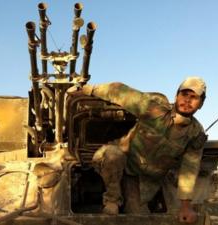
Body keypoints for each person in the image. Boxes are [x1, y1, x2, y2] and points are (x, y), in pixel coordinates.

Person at [80, 76, 207, 224]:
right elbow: (120, 92)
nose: (187, 100)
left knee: (138, 218)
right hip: (123, 161)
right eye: (184, 94)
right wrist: (87, 89)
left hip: (142, 181)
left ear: (201, 103)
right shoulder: (156, 110)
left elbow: (189, 169)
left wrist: (186, 206)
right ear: (176, 96)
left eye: (194, 97)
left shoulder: (195, 134)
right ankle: (112, 200)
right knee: (112, 154)